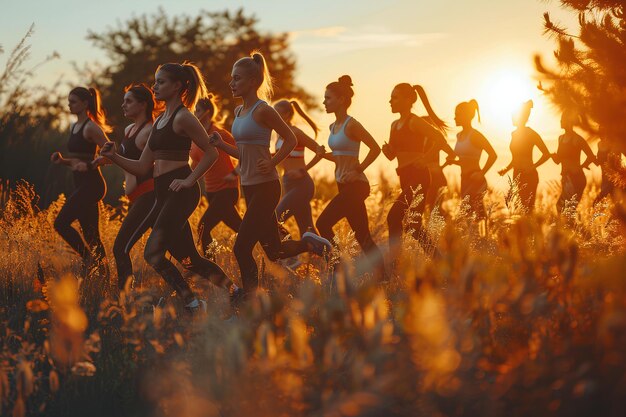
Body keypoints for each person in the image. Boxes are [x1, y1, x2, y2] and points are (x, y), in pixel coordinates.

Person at [100, 62, 239, 312]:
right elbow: (143, 167)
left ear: (177, 86)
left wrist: (189, 180)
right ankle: (235, 292)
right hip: (163, 192)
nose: (155, 86)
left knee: (152, 253)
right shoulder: (161, 120)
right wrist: (114, 157)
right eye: (155, 81)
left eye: (161, 82)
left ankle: (192, 303)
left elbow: (211, 153)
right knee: (190, 259)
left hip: (181, 191)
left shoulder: (184, 117)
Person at [210, 52, 331, 296]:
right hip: (249, 186)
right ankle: (311, 244)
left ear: (253, 81)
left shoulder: (262, 109)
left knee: (241, 248)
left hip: (266, 186)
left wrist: (274, 161)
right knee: (274, 251)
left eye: (237, 78)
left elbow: (291, 138)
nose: (232, 83)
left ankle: (249, 301)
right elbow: (243, 153)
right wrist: (220, 145)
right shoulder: (238, 112)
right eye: (231, 78)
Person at [315, 75, 385, 279]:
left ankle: (339, 269)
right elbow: (339, 158)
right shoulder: (332, 127)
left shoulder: (352, 125)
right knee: (362, 236)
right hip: (342, 185)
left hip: (357, 185)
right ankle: (384, 278)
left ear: (341, 100)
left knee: (323, 223)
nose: (324, 102)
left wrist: (358, 169)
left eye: (328, 98)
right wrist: (323, 155)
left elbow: (375, 148)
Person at [382, 83, 450, 253]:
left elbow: (440, 139)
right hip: (404, 176)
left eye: (395, 97)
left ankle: (394, 265)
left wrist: (426, 158)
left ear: (407, 100)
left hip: (419, 176)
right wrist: (387, 151)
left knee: (393, 217)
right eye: (391, 98)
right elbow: (392, 155)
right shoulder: (393, 125)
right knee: (414, 226)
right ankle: (439, 260)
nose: (390, 101)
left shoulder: (414, 121)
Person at [51, 86, 111, 275]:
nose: (69, 105)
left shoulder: (91, 127)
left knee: (60, 223)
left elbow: (110, 154)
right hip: (81, 184)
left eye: (73, 102)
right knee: (92, 235)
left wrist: (92, 165)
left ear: (85, 103)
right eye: (69, 102)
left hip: (92, 185)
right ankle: (103, 274)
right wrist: (63, 161)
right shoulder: (74, 126)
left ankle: (89, 260)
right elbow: (79, 160)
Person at [110, 84, 160, 291]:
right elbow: (127, 159)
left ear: (143, 104)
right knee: (180, 252)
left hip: (149, 197)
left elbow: (151, 165)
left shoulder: (149, 131)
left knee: (120, 248)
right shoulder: (129, 129)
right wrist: (104, 159)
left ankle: (124, 300)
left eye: (129, 101)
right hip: (137, 198)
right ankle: (194, 296)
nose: (123, 105)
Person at [190, 94, 242, 255]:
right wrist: (184, 180)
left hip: (227, 190)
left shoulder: (219, 134)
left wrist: (234, 173)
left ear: (206, 112)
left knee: (202, 228)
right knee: (243, 228)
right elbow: (195, 165)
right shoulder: (195, 137)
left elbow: (245, 154)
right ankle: (276, 243)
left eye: (197, 110)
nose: (194, 114)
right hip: (211, 192)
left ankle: (211, 272)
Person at [273, 99, 326, 236]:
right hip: (287, 183)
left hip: (302, 184)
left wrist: (303, 170)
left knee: (275, 219)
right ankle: (331, 256)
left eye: (276, 113)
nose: (272, 117)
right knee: (307, 230)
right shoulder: (278, 135)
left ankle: (291, 256)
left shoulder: (296, 132)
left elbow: (320, 151)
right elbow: (279, 156)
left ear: (286, 115)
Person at [498, 100, 551, 212]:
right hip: (517, 174)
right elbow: (515, 158)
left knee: (528, 209)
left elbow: (546, 154)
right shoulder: (514, 134)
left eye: (514, 115)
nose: (512, 118)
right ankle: (526, 229)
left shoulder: (531, 133)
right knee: (521, 208)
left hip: (529, 175)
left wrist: (533, 166)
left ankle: (532, 229)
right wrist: (505, 169)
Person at [452, 99, 497, 218]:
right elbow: (465, 160)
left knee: (474, 214)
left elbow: (493, 155)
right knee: (470, 216)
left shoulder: (475, 135)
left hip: (475, 178)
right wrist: (454, 161)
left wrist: (482, 173)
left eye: (457, 114)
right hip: (464, 179)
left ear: (466, 116)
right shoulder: (458, 136)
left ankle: (485, 235)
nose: (454, 118)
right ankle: (481, 235)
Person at [552, 110, 595, 212]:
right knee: (564, 208)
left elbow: (591, 156)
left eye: (562, 120)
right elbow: (558, 161)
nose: (560, 122)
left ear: (569, 122)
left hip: (576, 178)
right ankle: (571, 227)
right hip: (566, 178)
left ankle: (570, 227)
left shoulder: (577, 139)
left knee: (565, 208)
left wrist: (582, 166)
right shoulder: (560, 139)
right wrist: (552, 156)